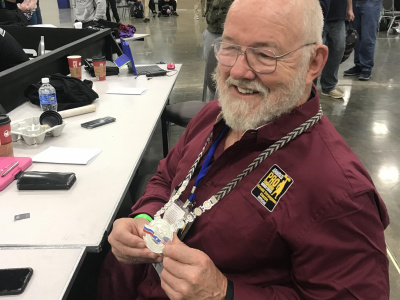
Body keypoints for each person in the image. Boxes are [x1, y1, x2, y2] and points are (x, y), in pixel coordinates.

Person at [98, 0, 390, 299]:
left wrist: (224, 293)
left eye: (264, 55)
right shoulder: (214, 116)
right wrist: (144, 219)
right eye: (229, 47)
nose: (238, 71)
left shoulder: (339, 191)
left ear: (314, 63)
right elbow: (166, 178)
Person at [320, 0, 354, 99]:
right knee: (315, 53)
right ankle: (309, 89)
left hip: (339, 15)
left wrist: (350, 9)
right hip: (319, 14)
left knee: (337, 50)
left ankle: (329, 87)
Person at [344, 0, 383, 81]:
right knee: (356, 36)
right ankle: (358, 65)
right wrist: (349, 7)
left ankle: (366, 67)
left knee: (368, 36)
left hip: (371, 3)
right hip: (354, 3)